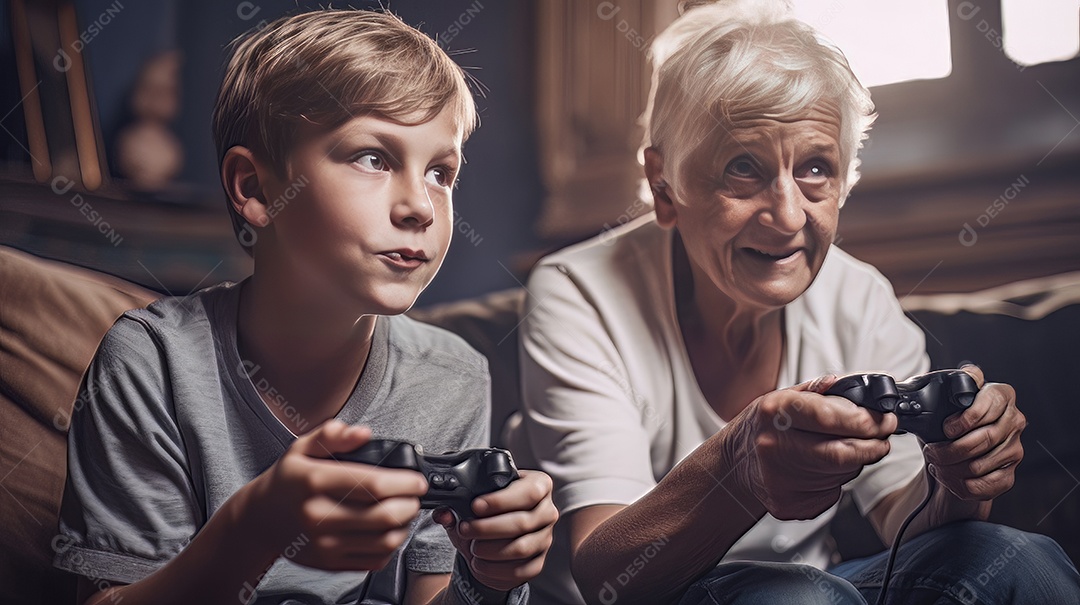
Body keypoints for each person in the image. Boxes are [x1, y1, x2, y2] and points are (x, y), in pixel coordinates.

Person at [511, 1, 1080, 604]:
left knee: (1019, 558)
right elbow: (606, 577)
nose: (787, 217)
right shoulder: (579, 292)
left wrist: (960, 479)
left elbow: (908, 520)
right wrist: (739, 467)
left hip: (818, 591)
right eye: (741, 169)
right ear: (663, 187)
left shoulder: (858, 297)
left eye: (815, 168)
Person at [54, 9, 558, 605]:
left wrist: (490, 581)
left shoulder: (451, 377)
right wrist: (254, 531)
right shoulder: (153, 362)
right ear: (255, 188)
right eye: (373, 157)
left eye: (441, 172)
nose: (421, 206)